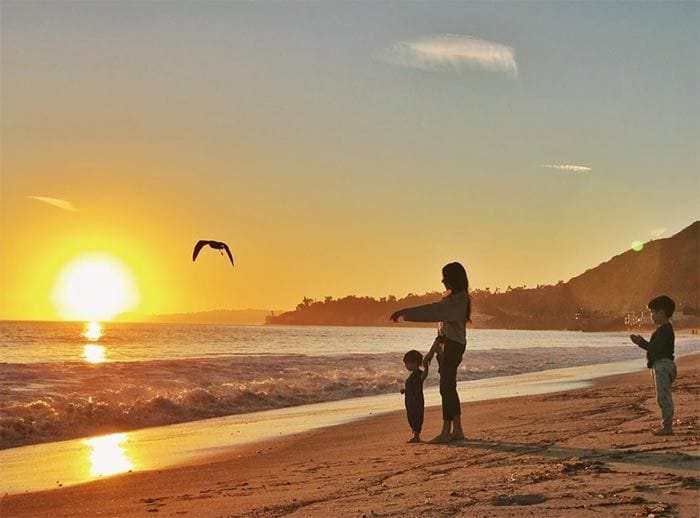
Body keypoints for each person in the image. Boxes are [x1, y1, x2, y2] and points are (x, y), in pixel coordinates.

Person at [391, 262, 471, 443]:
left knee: (446, 388)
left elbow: (432, 311)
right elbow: (441, 333)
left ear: (454, 279)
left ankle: (447, 431)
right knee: (448, 387)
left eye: (445, 277)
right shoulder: (451, 300)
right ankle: (457, 429)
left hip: (453, 347)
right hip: (446, 347)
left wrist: (405, 312)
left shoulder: (459, 300)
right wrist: (430, 353)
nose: (442, 281)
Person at [629, 295, 677, 436]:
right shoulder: (665, 329)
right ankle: (667, 424)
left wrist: (641, 342)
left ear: (661, 313)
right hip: (664, 364)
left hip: (662, 365)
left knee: (663, 397)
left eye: (652, 312)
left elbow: (655, 349)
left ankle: (667, 426)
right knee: (663, 395)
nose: (651, 316)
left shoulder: (664, 330)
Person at [400, 350, 429, 443]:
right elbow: (411, 387)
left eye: (407, 363)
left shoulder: (419, 374)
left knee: (416, 416)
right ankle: (415, 435)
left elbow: (424, 376)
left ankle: (416, 436)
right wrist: (405, 390)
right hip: (409, 400)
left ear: (415, 363)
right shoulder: (412, 375)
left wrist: (426, 367)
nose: (406, 366)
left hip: (416, 400)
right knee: (411, 416)